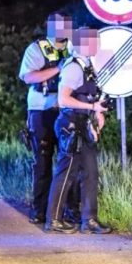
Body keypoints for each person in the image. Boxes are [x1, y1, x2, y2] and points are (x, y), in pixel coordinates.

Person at [45, 27, 111, 234]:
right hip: (71, 124)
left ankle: (89, 220)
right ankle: (53, 220)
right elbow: (63, 99)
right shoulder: (74, 67)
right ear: (83, 44)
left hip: (84, 123)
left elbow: (93, 96)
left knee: (91, 172)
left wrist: (98, 114)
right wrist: (93, 108)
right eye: (94, 40)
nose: (98, 44)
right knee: (67, 173)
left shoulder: (88, 66)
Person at [18, 12, 75, 224]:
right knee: (42, 161)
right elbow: (28, 76)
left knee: (68, 161)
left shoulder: (73, 47)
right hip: (42, 108)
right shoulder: (37, 48)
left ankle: (68, 210)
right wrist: (58, 69)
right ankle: (40, 210)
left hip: (67, 109)